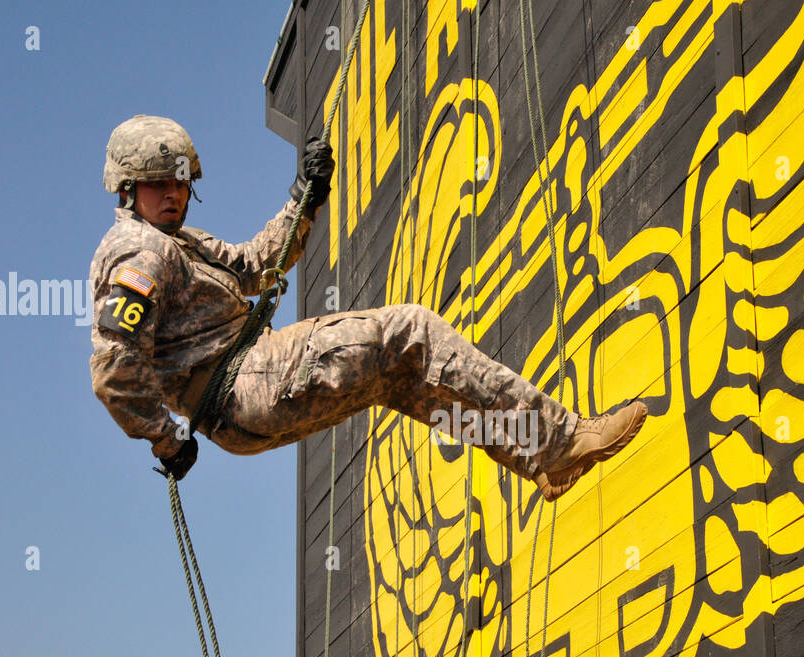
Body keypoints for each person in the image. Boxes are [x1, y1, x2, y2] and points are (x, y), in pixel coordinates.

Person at [88, 115, 645, 502]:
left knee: (402, 379)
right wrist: (163, 436)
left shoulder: (178, 241)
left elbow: (257, 265)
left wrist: (303, 195)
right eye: (160, 182)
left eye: (182, 181)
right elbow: (115, 369)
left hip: (236, 412)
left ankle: (539, 457)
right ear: (128, 187)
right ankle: (562, 438)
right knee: (412, 330)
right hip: (246, 382)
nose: (175, 193)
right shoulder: (140, 249)